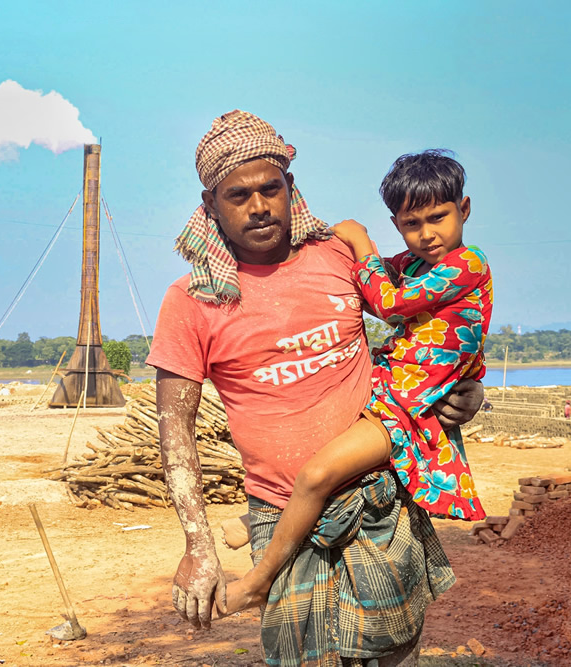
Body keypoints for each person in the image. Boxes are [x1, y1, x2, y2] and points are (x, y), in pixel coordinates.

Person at [148, 110, 483, 666]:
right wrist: (198, 543)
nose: (258, 206)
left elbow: (434, 333)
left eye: (269, 189)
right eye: (237, 195)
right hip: (283, 519)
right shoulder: (192, 301)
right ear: (210, 206)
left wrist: (469, 394)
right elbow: (174, 429)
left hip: (381, 502)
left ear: (290, 188)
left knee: (396, 651)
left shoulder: (339, 258)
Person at [223, 150, 492, 615]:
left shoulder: (467, 264)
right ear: (397, 223)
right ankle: (259, 515)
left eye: (438, 217)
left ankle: (259, 580)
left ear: (463, 210)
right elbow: (362, 285)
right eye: (412, 224)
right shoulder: (415, 263)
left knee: (316, 474)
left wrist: (360, 241)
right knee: (323, 441)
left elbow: (387, 301)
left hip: (407, 405)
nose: (427, 234)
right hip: (387, 386)